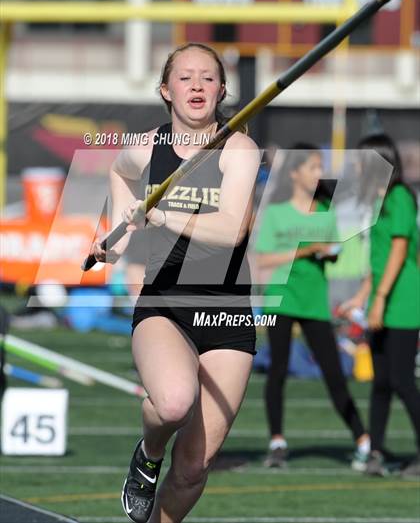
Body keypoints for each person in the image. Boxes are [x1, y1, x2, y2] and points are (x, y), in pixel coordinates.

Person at [93, 42, 260, 523]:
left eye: (208, 78)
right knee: (172, 405)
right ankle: (147, 457)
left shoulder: (238, 148)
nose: (197, 86)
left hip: (227, 313)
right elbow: (117, 173)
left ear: (223, 90)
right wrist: (118, 241)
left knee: (192, 466)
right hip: (165, 305)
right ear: (166, 90)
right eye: (185, 78)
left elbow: (231, 230)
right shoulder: (145, 147)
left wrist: (165, 215)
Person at [254, 144, 370, 470]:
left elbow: (331, 250)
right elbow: (264, 260)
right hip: (282, 296)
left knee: (334, 373)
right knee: (277, 370)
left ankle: (363, 440)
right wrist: (307, 250)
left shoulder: (325, 211)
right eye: (312, 167)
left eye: (320, 167)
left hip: (314, 300)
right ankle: (277, 442)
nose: (318, 173)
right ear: (294, 173)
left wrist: (328, 251)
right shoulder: (276, 212)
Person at [339, 133, 420, 477]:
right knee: (381, 382)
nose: (357, 166)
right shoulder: (377, 200)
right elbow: (380, 257)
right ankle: (377, 452)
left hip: (402, 300)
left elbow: (399, 253)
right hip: (382, 298)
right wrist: (361, 297)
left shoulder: (400, 196)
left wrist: (381, 302)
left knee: (401, 379)